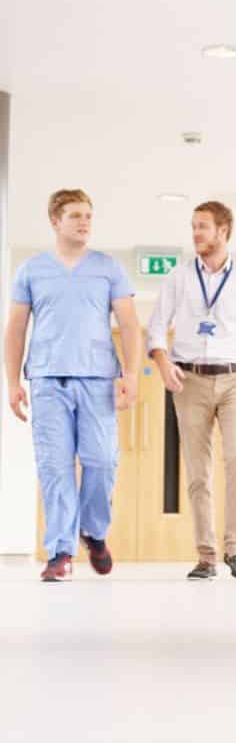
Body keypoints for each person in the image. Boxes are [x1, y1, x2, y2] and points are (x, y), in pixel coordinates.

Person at [3, 189, 141, 582]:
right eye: (76, 216)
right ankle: (60, 552)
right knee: (55, 467)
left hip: (97, 380)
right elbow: (15, 329)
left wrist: (130, 374)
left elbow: (129, 325)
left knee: (101, 461)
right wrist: (12, 382)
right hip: (47, 380)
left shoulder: (108, 268)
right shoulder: (31, 270)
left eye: (88, 216)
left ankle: (94, 533)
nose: (84, 222)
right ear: (55, 221)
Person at [146, 202, 236, 580]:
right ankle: (206, 555)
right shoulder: (178, 278)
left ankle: (235, 550)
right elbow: (155, 328)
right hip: (190, 380)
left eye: (202, 226)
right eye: (193, 226)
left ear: (224, 230)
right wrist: (163, 362)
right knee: (197, 471)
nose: (196, 233)